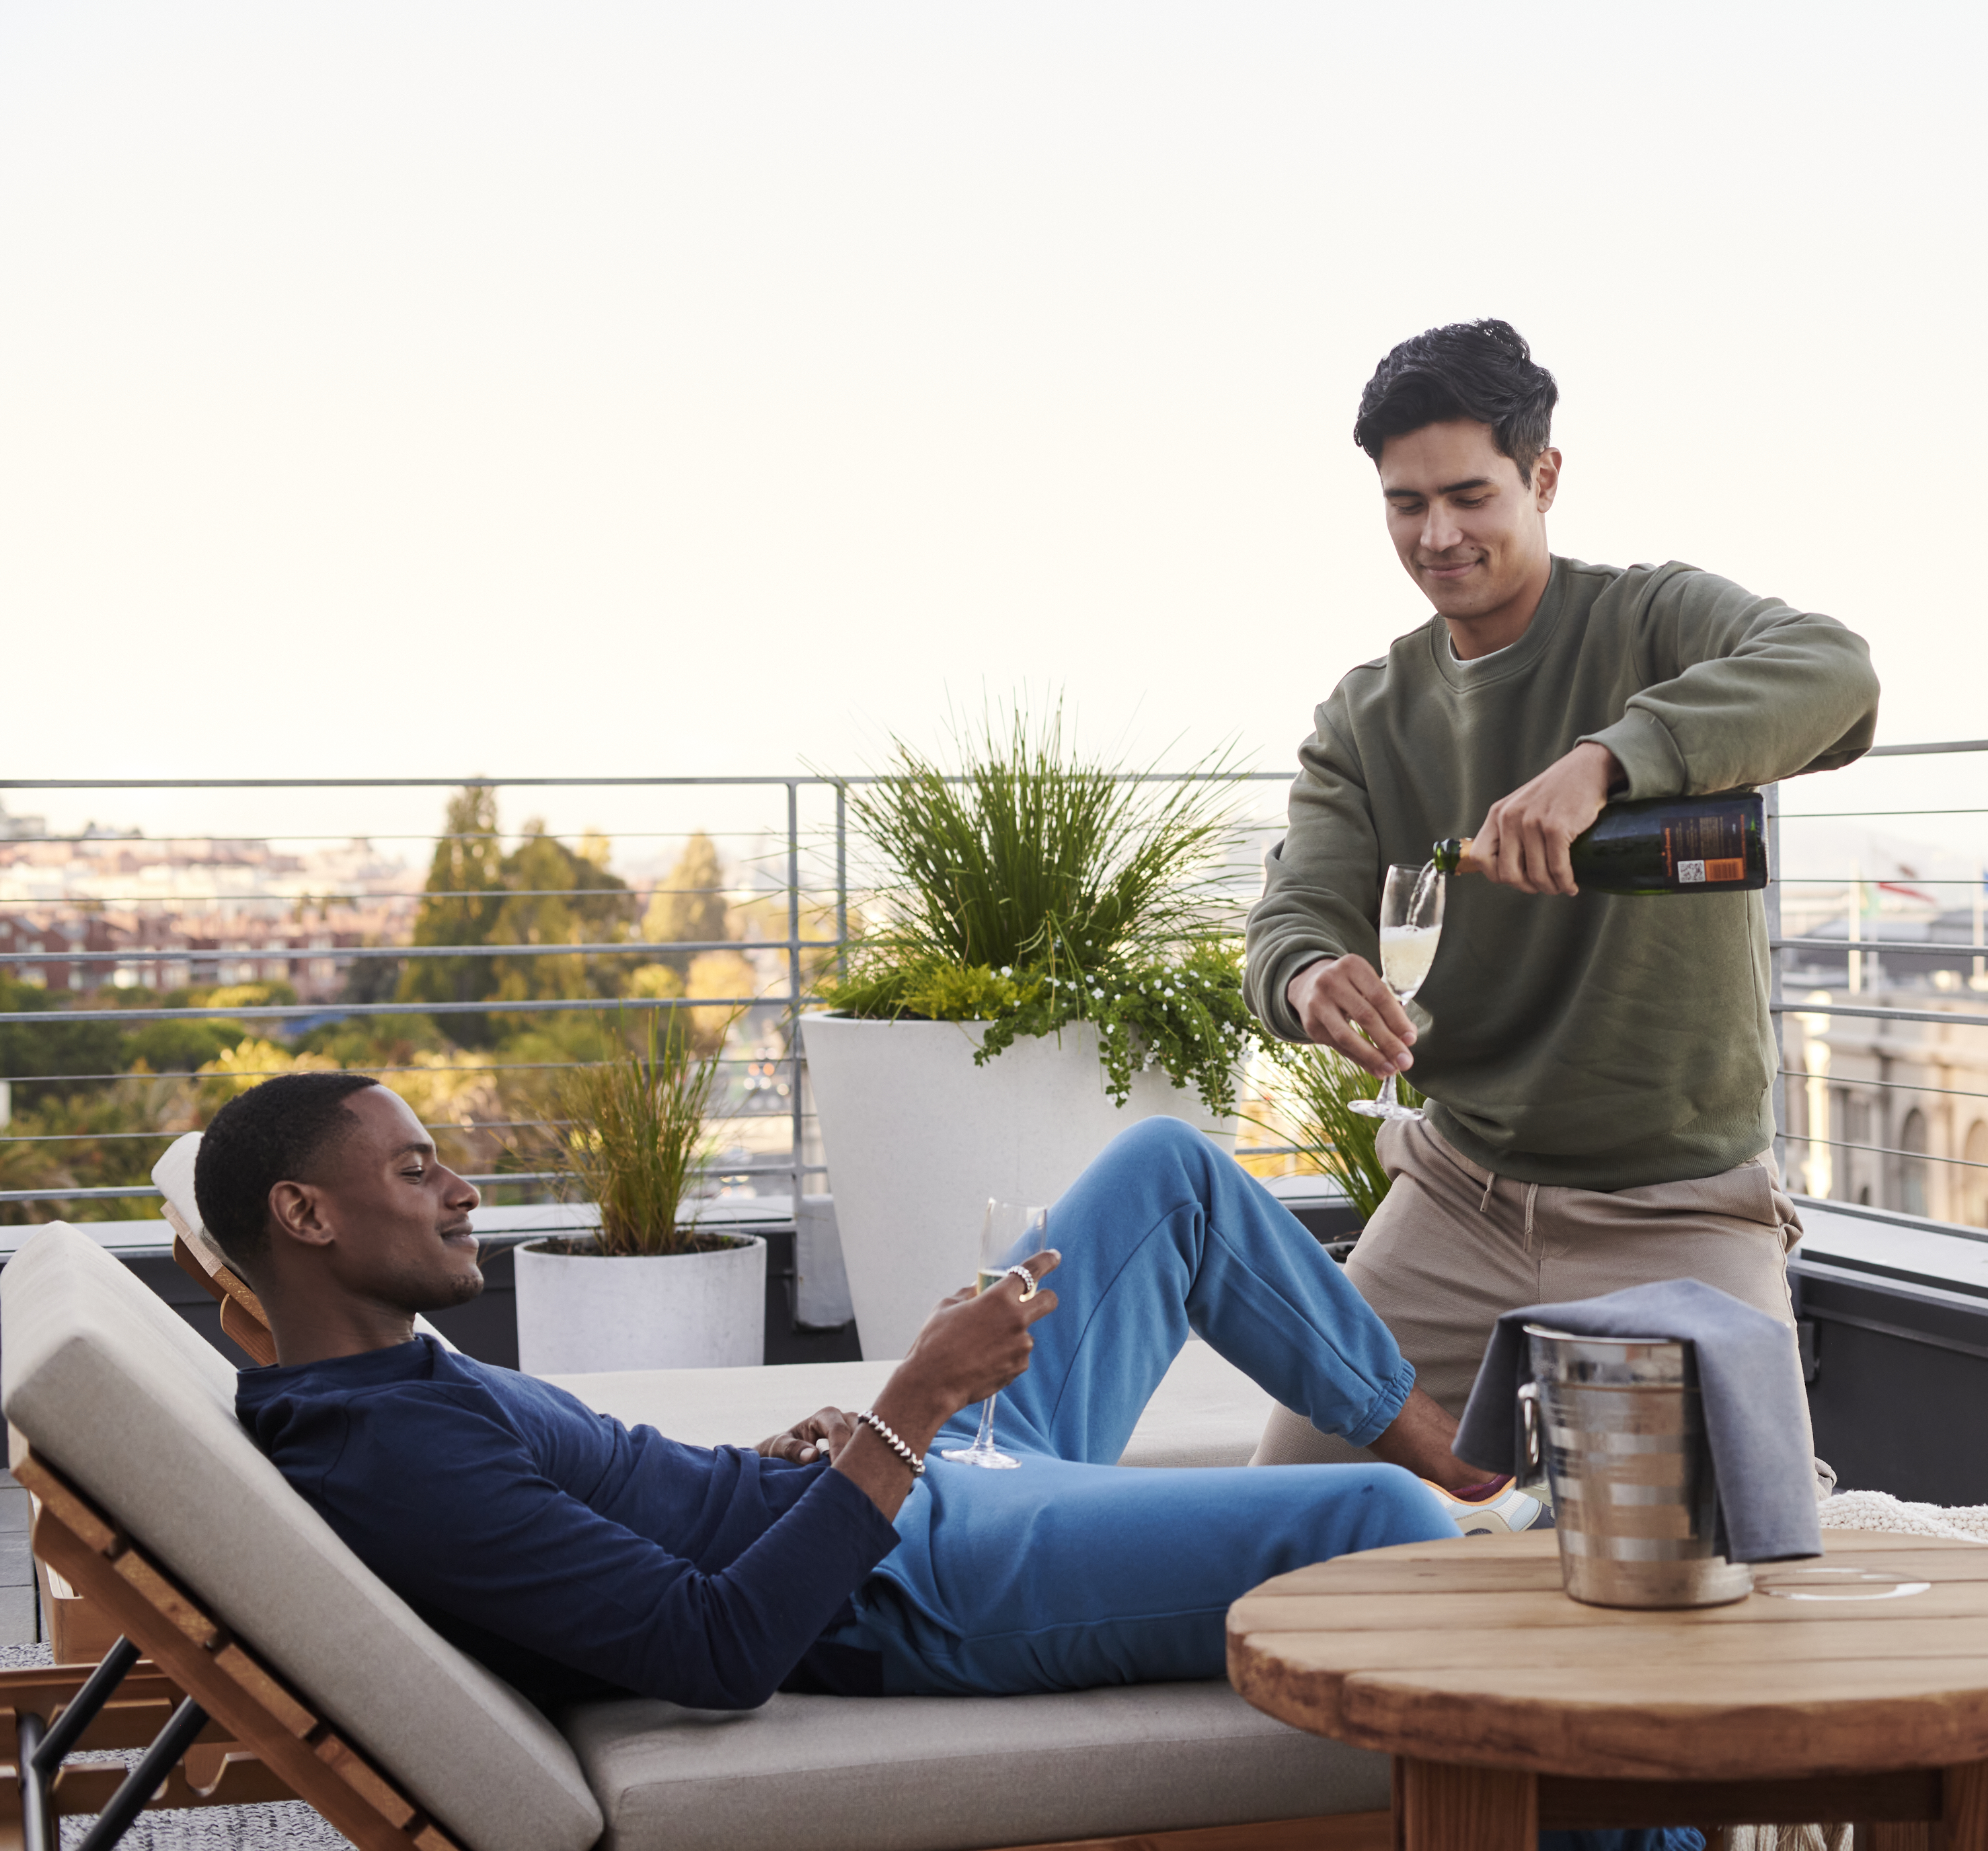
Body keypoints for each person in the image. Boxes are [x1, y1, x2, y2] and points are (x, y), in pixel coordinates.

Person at [202, 1070, 1519, 1711]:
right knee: (1372, 1526)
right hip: (911, 1583)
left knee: (1169, 1170)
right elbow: (714, 1650)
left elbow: (642, 1504)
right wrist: (908, 1409)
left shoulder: (381, 1374)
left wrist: (809, 1457)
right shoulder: (387, 1453)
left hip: (871, 1490)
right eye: (418, 1168)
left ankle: (1438, 1439)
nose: (464, 1187)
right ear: (304, 1211)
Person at [1246, 319, 1880, 1468]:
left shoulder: (1653, 621)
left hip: (1682, 1213)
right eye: (1404, 505)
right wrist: (1306, 976)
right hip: (1455, 1201)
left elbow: (1837, 673)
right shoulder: (1364, 715)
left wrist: (1608, 761)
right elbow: (1295, 914)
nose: (1437, 535)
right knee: (1283, 1526)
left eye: (1470, 496)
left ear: (1543, 477)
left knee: (1755, 1569)